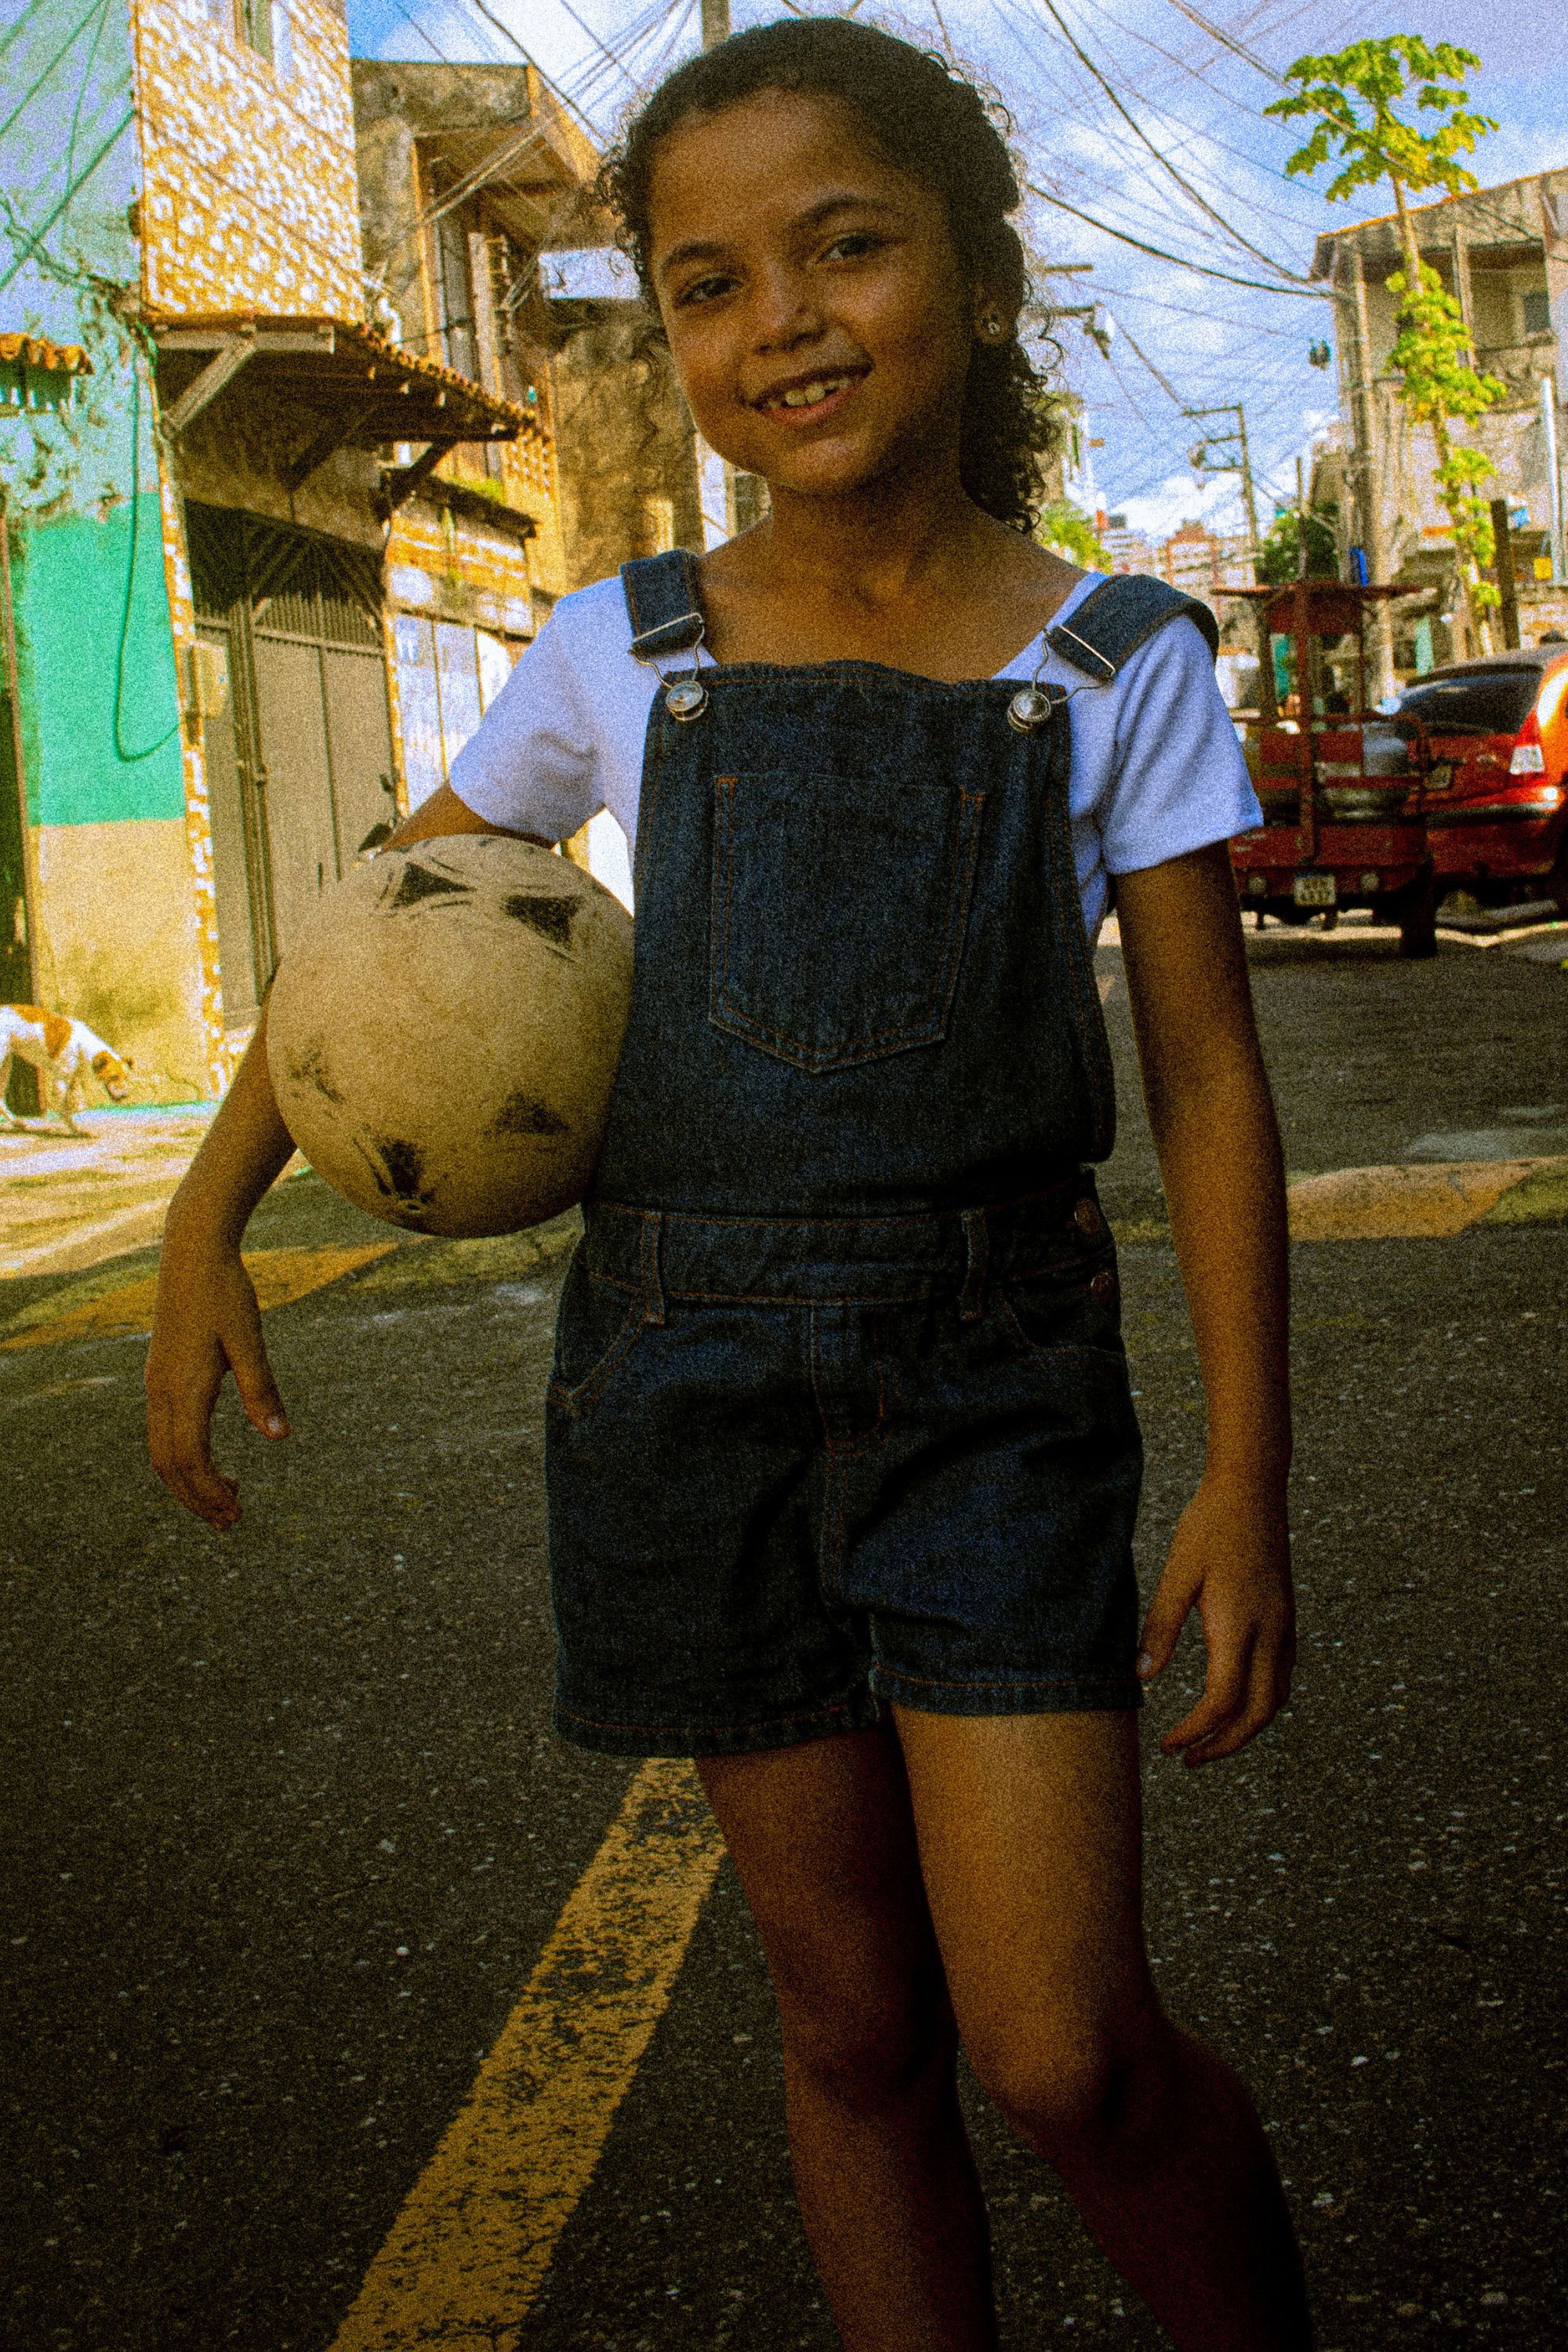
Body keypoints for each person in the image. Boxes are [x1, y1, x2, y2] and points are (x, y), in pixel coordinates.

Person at [147, 20, 1308, 2348]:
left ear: (976, 280)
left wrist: (1255, 1464)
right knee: (853, 2033)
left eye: (844, 247)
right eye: (704, 281)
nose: (778, 318)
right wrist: (206, 1215)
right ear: (671, 333)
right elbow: (393, 935)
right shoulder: (619, 651)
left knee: (1063, 2052)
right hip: (682, 1408)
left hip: (994, 1399)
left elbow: (1199, 1077)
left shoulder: (1113, 656)